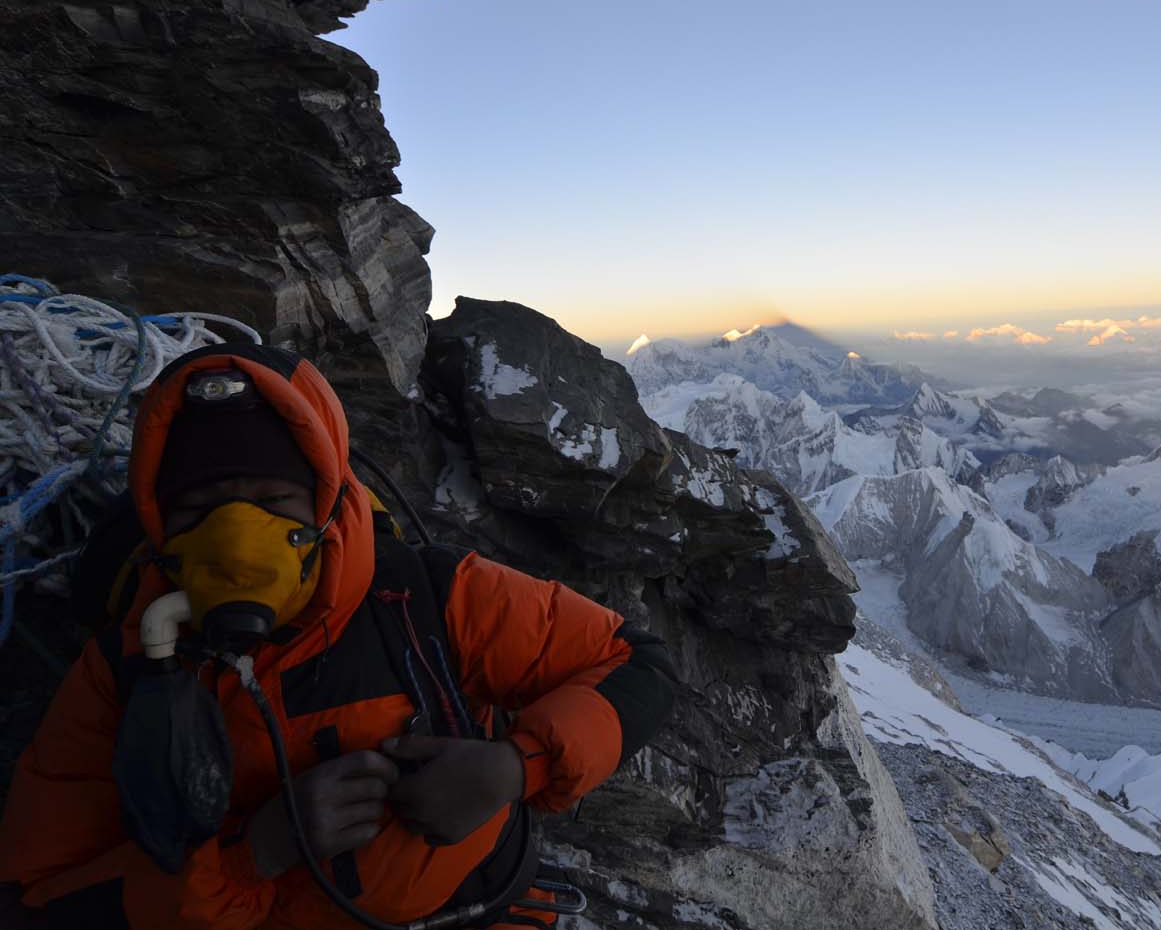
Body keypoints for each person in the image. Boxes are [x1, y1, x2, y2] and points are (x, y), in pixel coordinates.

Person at [0, 344, 677, 929]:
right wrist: (252, 855)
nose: (238, 538)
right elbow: (36, 899)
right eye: (202, 509)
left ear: (325, 502)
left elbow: (634, 665)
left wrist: (513, 767)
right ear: (160, 523)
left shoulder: (425, 596)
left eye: (272, 502)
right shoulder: (126, 668)